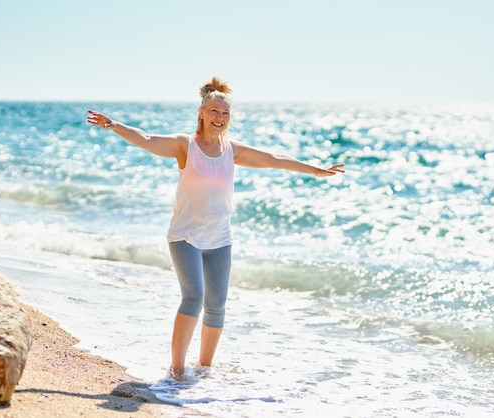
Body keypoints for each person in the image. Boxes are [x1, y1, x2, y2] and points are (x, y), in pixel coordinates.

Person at [86, 76, 344, 379]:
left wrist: (314, 170)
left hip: (219, 237)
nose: (219, 118)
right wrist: (112, 125)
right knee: (194, 296)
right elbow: (145, 139)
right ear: (201, 113)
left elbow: (276, 158)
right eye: (214, 112)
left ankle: (205, 371)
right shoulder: (186, 146)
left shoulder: (232, 150)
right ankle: (177, 371)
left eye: (225, 114)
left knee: (217, 305)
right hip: (186, 235)